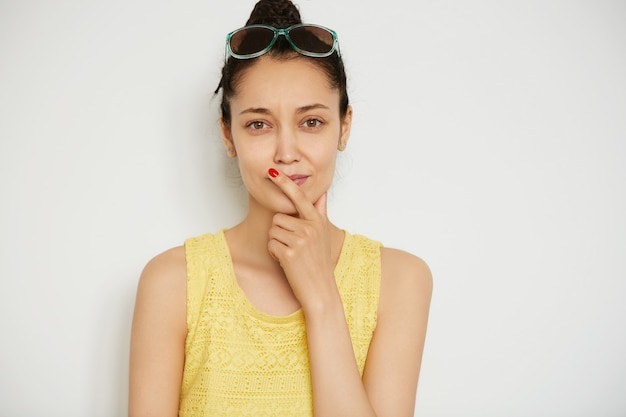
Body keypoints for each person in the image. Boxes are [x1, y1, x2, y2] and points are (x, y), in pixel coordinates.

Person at [128, 0, 432, 416]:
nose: (287, 153)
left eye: (311, 122)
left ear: (344, 126)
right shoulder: (172, 283)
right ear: (228, 134)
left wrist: (322, 297)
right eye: (259, 124)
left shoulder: (400, 281)